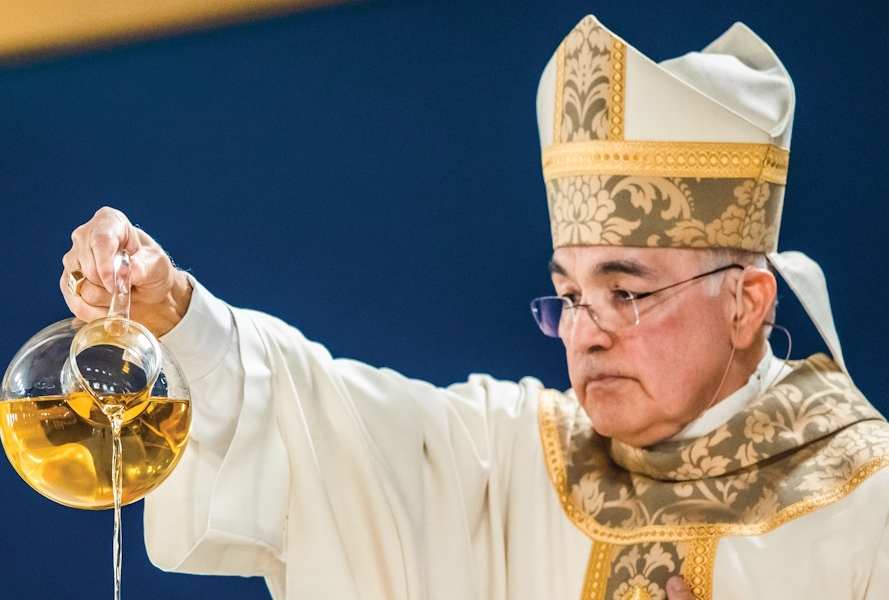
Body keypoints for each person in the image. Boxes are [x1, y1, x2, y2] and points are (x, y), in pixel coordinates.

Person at [60, 16, 889, 600]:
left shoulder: (867, 497)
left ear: (746, 303)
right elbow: (318, 419)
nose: (584, 331)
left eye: (625, 292)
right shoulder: (516, 464)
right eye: (567, 295)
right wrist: (172, 310)